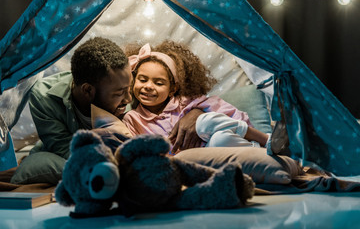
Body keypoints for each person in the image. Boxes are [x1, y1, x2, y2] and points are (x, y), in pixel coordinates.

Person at [10, 37, 202, 185]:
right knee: (38, 162)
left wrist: (196, 112)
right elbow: (62, 149)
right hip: (72, 152)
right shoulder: (44, 97)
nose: (129, 98)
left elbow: (180, 99)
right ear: (88, 90)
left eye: (130, 87)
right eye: (120, 93)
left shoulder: (125, 83)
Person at [122, 41, 271, 154]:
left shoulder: (187, 102)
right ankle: (260, 152)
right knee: (220, 140)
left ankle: (266, 141)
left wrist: (199, 112)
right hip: (199, 159)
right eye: (142, 79)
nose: (148, 86)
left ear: (172, 89)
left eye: (158, 82)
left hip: (219, 144)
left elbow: (233, 116)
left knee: (209, 125)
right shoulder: (132, 119)